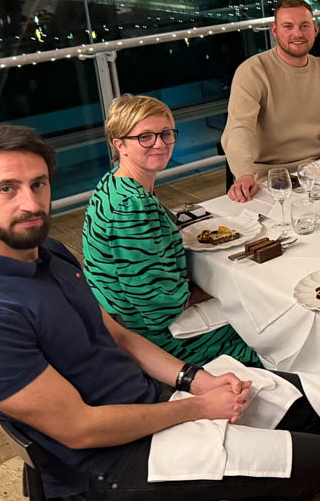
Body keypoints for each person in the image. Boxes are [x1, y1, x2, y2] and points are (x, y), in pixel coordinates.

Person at [0, 125, 320, 501]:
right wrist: (199, 408)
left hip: (146, 402)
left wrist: (197, 380)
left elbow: (119, 335)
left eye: (38, 183)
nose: (31, 203)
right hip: (104, 467)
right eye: (7, 189)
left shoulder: (44, 251)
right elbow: (80, 430)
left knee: (309, 402)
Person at [83, 95, 258, 367]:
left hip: (122, 321)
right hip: (153, 338)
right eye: (145, 137)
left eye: (166, 134)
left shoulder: (112, 183)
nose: (160, 144)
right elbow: (158, 308)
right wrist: (223, 289)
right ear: (119, 144)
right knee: (265, 334)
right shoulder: (131, 206)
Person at [222, 0, 320, 202]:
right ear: (275, 31)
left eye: (304, 26)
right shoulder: (252, 71)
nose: (297, 33)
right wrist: (243, 173)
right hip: (268, 179)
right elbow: (239, 128)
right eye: (288, 26)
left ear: (315, 30)